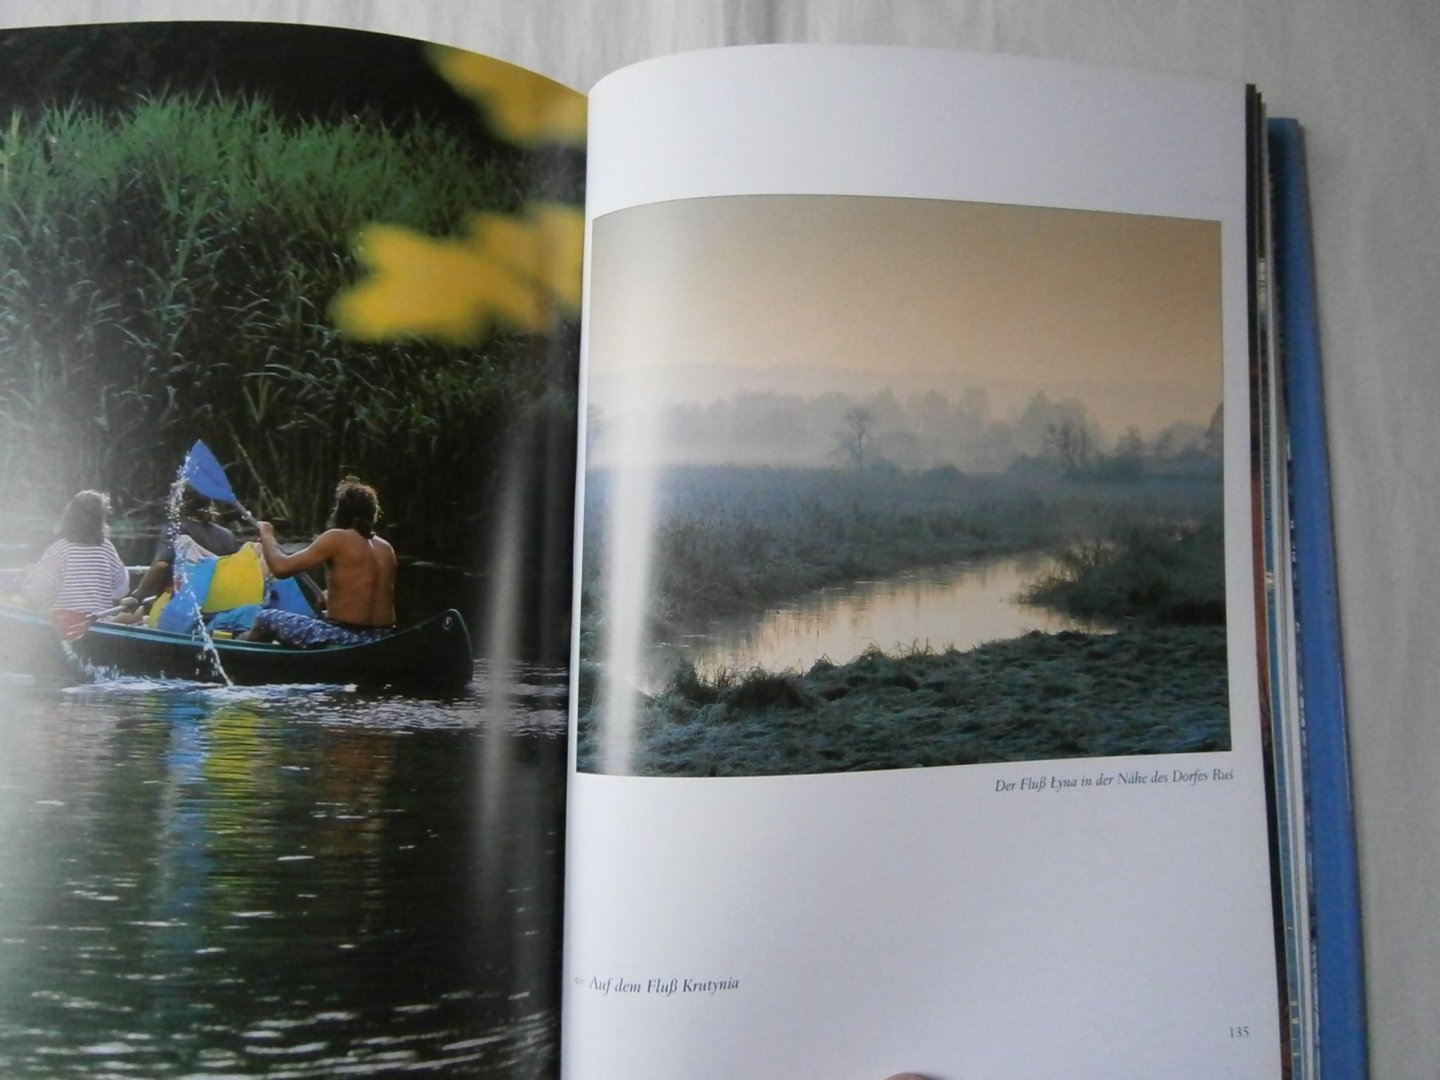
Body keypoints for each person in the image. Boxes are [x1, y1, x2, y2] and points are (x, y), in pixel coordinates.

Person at [245, 476, 397, 647]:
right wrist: (332, 599)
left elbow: (280, 568)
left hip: (345, 637)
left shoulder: (336, 538)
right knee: (318, 616)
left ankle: (238, 658)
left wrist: (267, 535)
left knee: (266, 618)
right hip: (382, 638)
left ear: (340, 513)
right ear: (373, 514)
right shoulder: (386, 548)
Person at [125, 483, 241, 608]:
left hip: (180, 608)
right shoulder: (228, 535)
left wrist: (137, 597)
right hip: (219, 606)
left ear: (180, 504)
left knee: (124, 618)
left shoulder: (176, 529)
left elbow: (160, 565)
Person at [22, 490, 131, 618]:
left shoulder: (58, 550)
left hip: (64, 624)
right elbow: (121, 590)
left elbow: (36, 593)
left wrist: (31, 575)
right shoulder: (107, 549)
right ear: (100, 519)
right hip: (99, 621)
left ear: (69, 517)